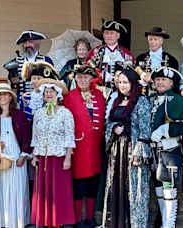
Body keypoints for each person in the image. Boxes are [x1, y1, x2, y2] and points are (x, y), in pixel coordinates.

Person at [101, 64, 152, 228]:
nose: (122, 85)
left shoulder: (141, 101)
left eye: (125, 82)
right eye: (120, 82)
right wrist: (114, 128)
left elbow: (145, 129)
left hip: (133, 150)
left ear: (133, 83)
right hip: (117, 151)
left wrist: (139, 151)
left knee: (134, 188)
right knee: (116, 186)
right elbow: (108, 124)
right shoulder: (116, 100)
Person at [0, 83, 32, 228]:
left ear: (10, 97)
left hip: (15, 156)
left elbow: (28, 136)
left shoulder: (19, 115)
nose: (2, 97)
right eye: (0, 94)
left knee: (16, 187)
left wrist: (23, 155)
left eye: (5, 94)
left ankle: (15, 221)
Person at [150, 66, 183, 227]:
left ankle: (169, 224)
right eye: (158, 80)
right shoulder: (152, 98)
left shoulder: (175, 100)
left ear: (171, 84)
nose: (160, 82)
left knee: (169, 187)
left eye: (164, 80)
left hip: (170, 150)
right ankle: (164, 221)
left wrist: (165, 130)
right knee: (158, 187)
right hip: (154, 150)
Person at [63, 66, 106, 227]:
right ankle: (76, 219)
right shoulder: (70, 97)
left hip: (95, 148)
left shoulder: (100, 96)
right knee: (78, 185)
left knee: (92, 184)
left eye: (86, 77)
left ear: (91, 79)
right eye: (79, 77)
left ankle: (89, 217)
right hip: (77, 148)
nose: (82, 80)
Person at [30, 78, 76, 227]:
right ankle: (46, 221)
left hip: (59, 158)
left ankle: (58, 221)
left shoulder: (65, 113)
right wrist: (34, 156)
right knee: (44, 193)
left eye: (51, 91)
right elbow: (35, 136)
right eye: (46, 92)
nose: (49, 94)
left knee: (58, 192)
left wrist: (68, 158)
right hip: (43, 158)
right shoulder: (39, 113)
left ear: (58, 94)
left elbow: (69, 137)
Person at [4, 30, 54, 109]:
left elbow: (52, 82)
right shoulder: (16, 62)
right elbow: (13, 85)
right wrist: (14, 80)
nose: (28, 45)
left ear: (36, 43)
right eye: (25, 43)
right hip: (22, 101)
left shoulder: (46, 61)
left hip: (42, 101)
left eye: (30, 42)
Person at [85, 20, 135, 99]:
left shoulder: (127, 54)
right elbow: (88, 71)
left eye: (112, 33)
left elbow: (132, 75)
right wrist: (103, 75)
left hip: (121, 93)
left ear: (118, 36)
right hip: (100, 92)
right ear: (103, 35)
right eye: (106, 33)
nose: (109, 36)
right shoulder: (95, 52)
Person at [136, 27, 179, 93]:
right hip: (144, 95)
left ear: (161, 41)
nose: (152, 41)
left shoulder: (171, 60)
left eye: (155, 39)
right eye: (150, 39)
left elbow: (175, 82)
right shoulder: (140, 58)